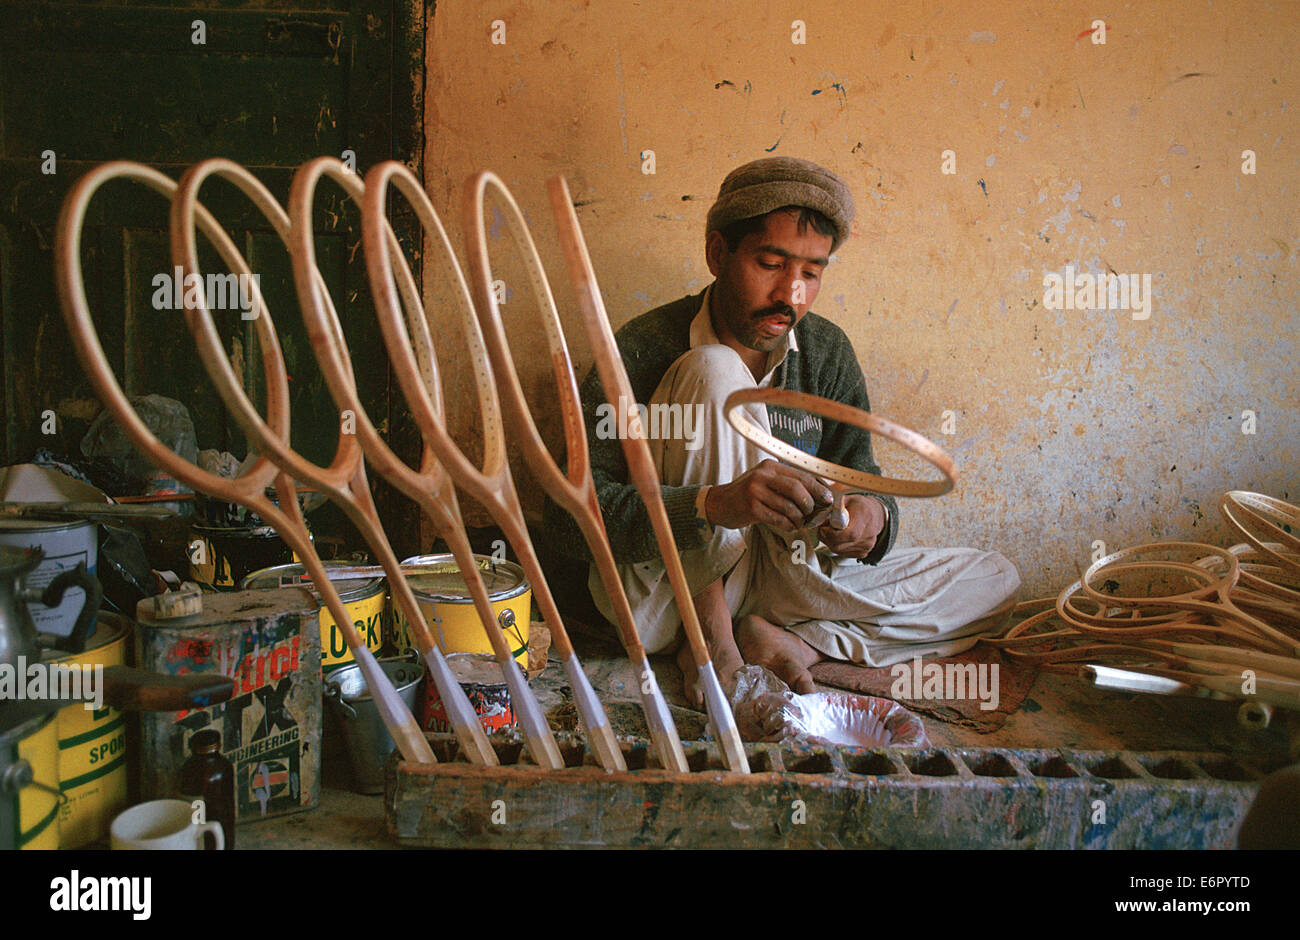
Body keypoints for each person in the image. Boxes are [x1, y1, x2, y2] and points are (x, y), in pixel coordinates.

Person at [543, 156, 1020, 708]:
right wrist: (711, 505)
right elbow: (566, 518)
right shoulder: (640, 348)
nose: (790, 294)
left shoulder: (826, 351)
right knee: (714, 369)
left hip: (778, 579)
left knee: (995, 579)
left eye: (811, 274)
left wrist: (869, 518)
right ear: (718, 253)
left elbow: (862, 477)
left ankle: (791, 642)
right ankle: (713, 645)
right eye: (771, 263)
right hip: (663, 594)